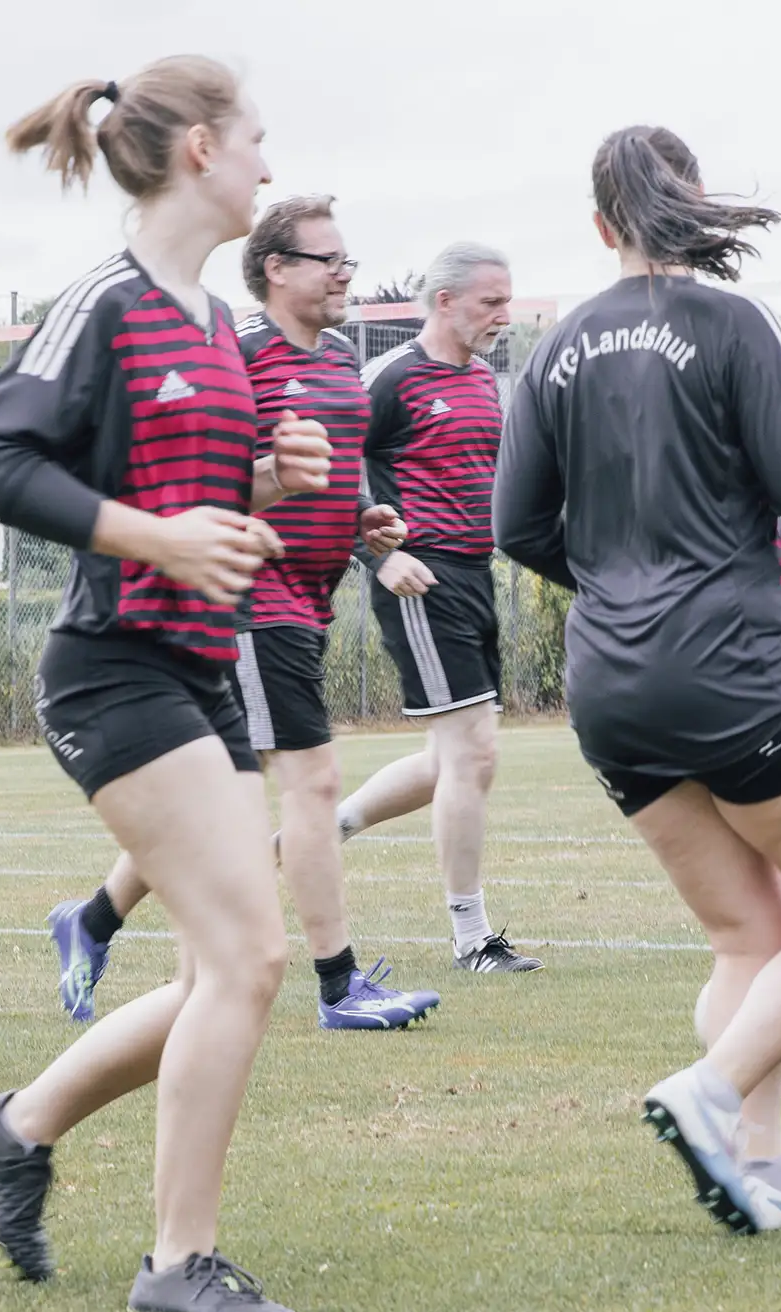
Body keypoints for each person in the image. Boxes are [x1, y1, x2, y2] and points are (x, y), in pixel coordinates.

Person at [0, 58, 361, 1312]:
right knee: (247, 957)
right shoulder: (109, 302)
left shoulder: (209, 325)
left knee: (210, 973)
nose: (268, 168)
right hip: (113, 669)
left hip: (196, 672)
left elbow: (206, 496)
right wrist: (156, 535)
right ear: (198, 152)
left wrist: (267, 483)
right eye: (256, 142)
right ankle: (179, 1264)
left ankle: (19, 1124)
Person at [492, 125, 781, 1233]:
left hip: (608, 685)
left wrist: (618, 582)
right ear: (693, 203)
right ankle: (708, 1095)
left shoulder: (550, 346)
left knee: (747, 935)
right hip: (732, 669)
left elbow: (516, 526)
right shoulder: (733, 323)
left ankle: (756, 1164)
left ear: (598, 226)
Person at [46, 195, 439, 1033]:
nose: (344, 274)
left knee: (223, 798)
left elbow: (327, 471)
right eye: (327, 259)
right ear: (275, 269)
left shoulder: (337, 359)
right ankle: (338, 985)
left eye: (348, 260)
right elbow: (213, 460)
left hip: (311, 599)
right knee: (312, 782)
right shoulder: (238, 351)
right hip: (251, 599)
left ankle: (94, 919)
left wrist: (365, 524)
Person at [331, 241, 542, 974]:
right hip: (423, 580)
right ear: (444, 301)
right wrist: (379, 555)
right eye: (491, 301)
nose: (503, 316)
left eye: (507, 301)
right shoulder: (387, 378)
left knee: (452, 759)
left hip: (475, 576)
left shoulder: (485, 379)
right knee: (473, 752)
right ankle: (472, 938)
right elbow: (329, 467)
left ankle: (323, 830)